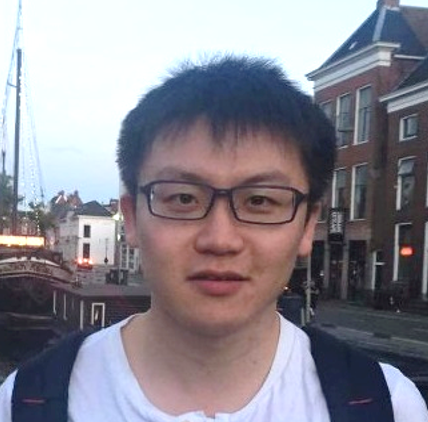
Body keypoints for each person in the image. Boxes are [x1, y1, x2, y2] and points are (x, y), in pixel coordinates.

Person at [1, 55, 427, 421]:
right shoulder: (21, 404)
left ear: (306, 225)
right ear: (131, 218)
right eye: (183, 198)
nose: (221, 239)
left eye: (260, 201)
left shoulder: (389, 406)